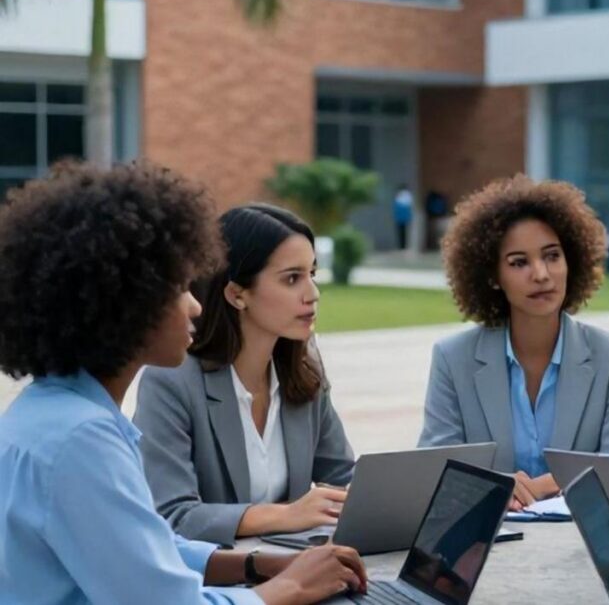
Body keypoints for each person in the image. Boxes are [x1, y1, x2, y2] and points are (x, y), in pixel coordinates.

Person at [0, 163, 366, 604]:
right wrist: (289, 588)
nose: (195, 306)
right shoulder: (81, 439)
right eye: (178, 288)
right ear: (126, 302)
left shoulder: (53, 413)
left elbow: (147, 549)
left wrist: (253, 564)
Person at [134, 203, 357, 546]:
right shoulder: (171, 381)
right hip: (215, 584)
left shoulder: (303, 370)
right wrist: (286, 515)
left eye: (312, 274)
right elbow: (172, 515)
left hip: (297, 571)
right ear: (237, 294)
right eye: (292, 278)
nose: (313, 294)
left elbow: (344, 478)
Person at [418, 175, 609, 509]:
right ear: (492, 276)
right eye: (519, 262)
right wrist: (496, 488)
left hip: (580, 547)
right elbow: (434, 472)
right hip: (491, 546)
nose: (541, 274)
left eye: (552, 256)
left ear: (572, 260)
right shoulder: (453, 358)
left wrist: (535, 488)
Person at [393, 184, 414, 250]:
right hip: (406, 217)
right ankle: (405, 246)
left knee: (400, 233)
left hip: (399, 218)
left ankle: (401, 246)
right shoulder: (408, 196)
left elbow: (396, 207)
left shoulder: (398, 196)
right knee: (405, 232)